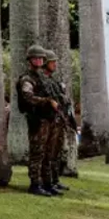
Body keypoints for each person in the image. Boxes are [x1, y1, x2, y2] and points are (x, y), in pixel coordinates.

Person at [16, 44, 59, 197]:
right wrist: (47, 101)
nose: (39, 61)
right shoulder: (27, 79)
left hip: (48, 119)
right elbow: (28, 97)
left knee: (48, 153)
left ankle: (47, 183)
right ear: (30, 60)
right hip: (37, 120)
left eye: (41, 58)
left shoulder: (43, 78)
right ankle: (35, 184)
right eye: (36, 58)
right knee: (37, 153)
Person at [43, 50, 75, 193]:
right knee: (49, 153)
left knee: (57, 152)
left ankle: (55, 180)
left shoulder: (53, 80)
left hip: (60, 120)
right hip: (51, 121)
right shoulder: (43, 80)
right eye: (52, 62)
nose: (55, 64)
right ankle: (48, 182)